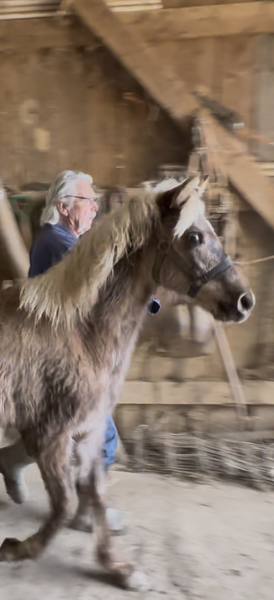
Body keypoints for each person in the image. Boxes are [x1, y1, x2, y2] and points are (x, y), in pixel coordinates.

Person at [0, 170, 123, 534]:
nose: (95, 208)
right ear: (64, 206)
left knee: (55, 427)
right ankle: (87, 509)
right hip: (58, 355)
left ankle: (10, 461)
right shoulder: (59, 243)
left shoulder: (62, 239)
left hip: (58, 351)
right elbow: (97, 293)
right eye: (88, 202)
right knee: (100, 430)